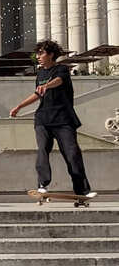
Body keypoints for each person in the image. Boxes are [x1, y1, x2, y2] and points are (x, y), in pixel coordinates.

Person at [10, 39, 95, 198]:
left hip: (63, 120)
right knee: (42, 149)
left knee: (72, 154)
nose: (38, 56)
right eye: (37, 53)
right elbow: (37, 93)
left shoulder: (61, 69)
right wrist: (19, 106)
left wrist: (46, 86)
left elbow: (58, 81)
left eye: (41, 53)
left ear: (51, 54)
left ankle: (82, 190)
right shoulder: (40, 73)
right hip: (43, 119)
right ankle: (42, 184)